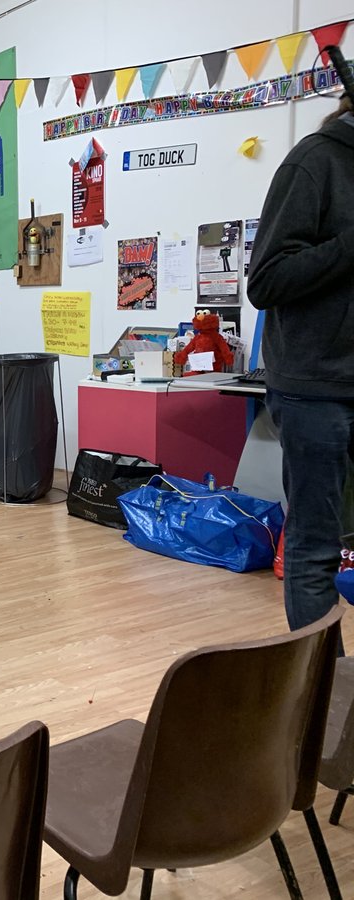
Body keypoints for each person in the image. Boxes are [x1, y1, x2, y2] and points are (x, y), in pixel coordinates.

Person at [248, 94, 354, 654]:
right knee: (316, 549)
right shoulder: (314, 162)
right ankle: (326, 696)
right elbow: (266, 280)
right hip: (317, 388)